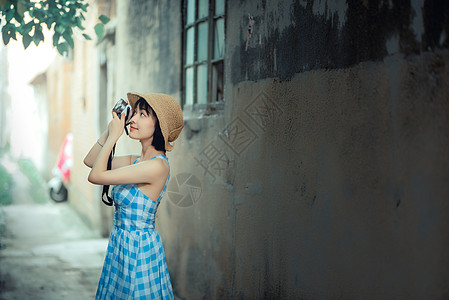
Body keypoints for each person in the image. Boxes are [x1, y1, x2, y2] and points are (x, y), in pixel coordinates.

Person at [83, 93, 183, 299]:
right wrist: (112, 128)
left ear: (160, 127)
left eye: (143, 114)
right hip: (121, 246)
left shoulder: (157, 166)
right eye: (134, 113)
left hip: (139, 251)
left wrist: (114, 136)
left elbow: (96, 176)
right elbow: (91, 161)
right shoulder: (135, 161)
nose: (134, 119)